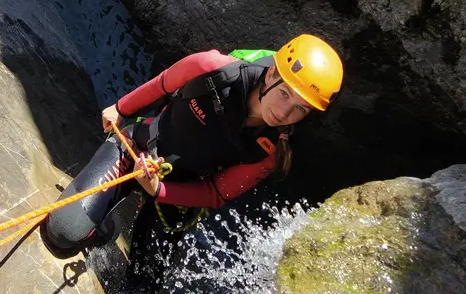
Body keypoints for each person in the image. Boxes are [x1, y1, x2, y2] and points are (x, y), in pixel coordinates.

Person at [40, 34, 343, 260]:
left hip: (178, 194)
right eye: (286, 95)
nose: (285, 113)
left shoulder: (268, 151)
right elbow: (163, 84)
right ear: (273, 73)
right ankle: (104, 229)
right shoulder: (214, 69)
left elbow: (215, 193)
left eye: (301, 109)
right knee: (63, 233)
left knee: (145, 284)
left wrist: (158, 190)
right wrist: (121, 107)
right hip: (138, 145)